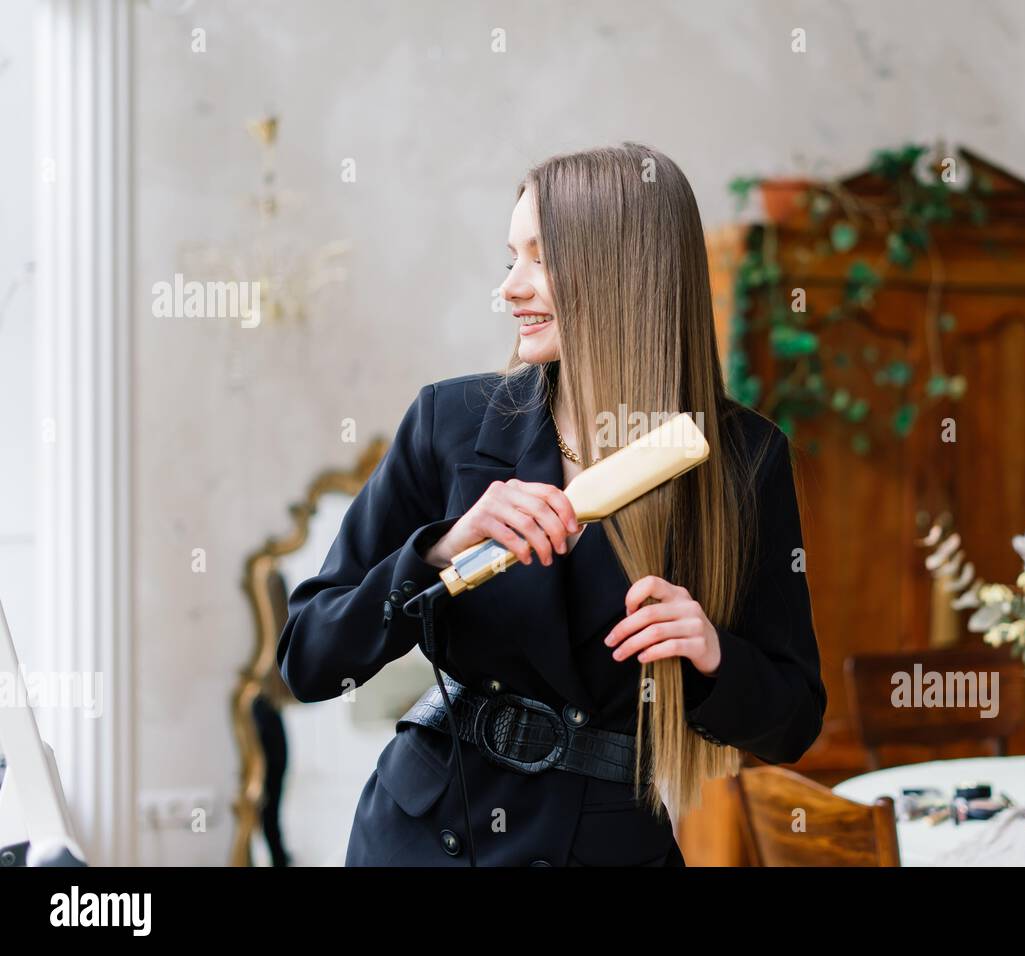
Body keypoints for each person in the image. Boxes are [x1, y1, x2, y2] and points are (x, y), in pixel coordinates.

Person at [276, 142, 826, 866]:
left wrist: (713, 653)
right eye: (510, 258)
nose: (509, 288)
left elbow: (790, 724)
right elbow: (309, 659)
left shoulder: (741, 460)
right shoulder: (450, 422)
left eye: (539, 258)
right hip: (424, 834)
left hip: (604, 845)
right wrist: (437, 554)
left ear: (623, 270)